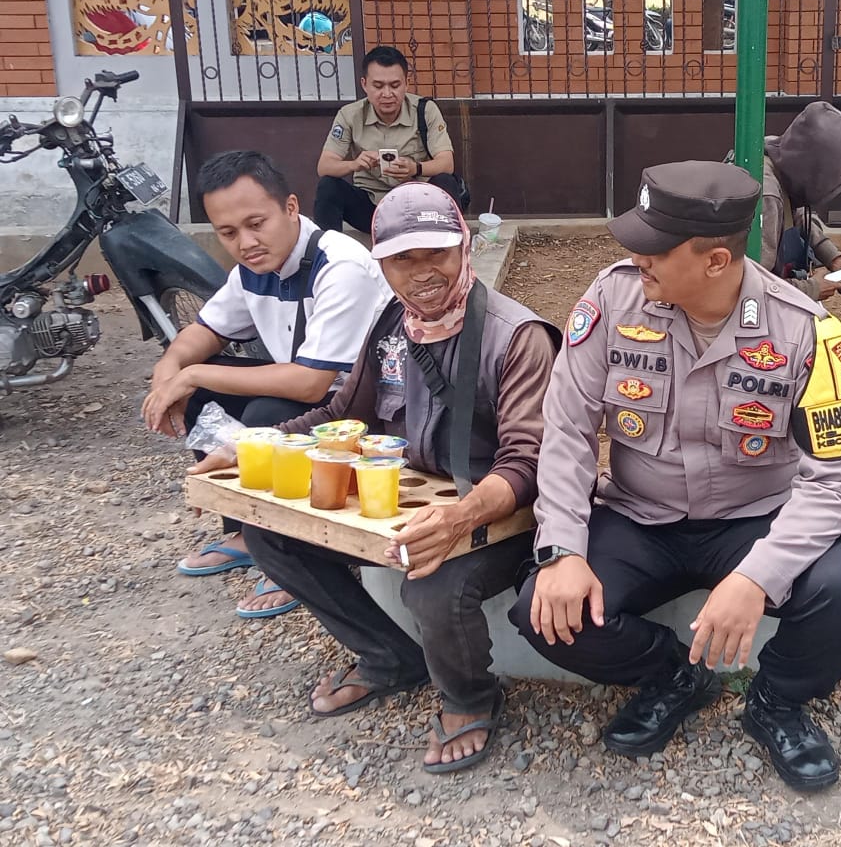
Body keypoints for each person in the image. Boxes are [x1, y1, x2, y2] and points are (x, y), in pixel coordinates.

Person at [511, 161, 841, 792]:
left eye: (655, 249)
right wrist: (562, 549)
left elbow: (835, 481)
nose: (637, 257)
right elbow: (567, 433)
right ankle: (672, 675)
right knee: (542, 607)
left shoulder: (806, 333)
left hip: (755, 521)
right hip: (641, 518)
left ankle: (777, 701)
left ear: (716, 260)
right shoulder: (611, 299)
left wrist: (756, 578)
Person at [196, 182, 559, 774]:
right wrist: (253, 445)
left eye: (436, 254)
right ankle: (389, 655)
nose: (422, 275)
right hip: (418, 505)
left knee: (433, 585)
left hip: (502, 518)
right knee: (269, 533)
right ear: (380, 263)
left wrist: (459, 517)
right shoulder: (394, 323)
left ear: (464, 247)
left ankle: (470, 695)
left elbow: (528, 463)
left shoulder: (515, 337)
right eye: (402, 259)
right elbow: (343, 416)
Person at [143, 151, 391, 617]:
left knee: (261, 419)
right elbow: (208, 329)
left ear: (291, 208)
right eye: (228, 233)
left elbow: (312, 383)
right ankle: (243, 531)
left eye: (256, 223)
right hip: (308, 397)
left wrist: (193, 373)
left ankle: (294, 551)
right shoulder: (254, 269)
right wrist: (172, 365)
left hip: (361, 415)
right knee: (199, 392)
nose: (246, 242)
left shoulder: (339, 266)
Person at [314, 45, 463, 232]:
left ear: (406, 83)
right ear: (364, 84)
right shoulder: (349, 115)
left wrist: (415, 168)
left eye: (394, 85)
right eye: (378, 86)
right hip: (371, 208)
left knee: (445, 182)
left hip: (418, 204)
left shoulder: (425, 110)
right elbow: (325, 166)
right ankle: (327, 254)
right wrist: (355, 164)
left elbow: (446, 163)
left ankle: (452, 248)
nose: (386, 94)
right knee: (328, 186)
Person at [760, 102, 841, 301]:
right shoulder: (767, 196)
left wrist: (833, 258)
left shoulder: (782, 161)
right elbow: (752, 285)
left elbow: (797, 214)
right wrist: (809, 289)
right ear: (814, 172)